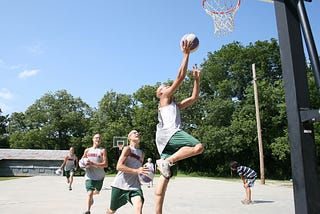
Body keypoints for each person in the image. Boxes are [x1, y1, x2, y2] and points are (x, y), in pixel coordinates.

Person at [154, 39, 204, 214]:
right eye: (163, 87)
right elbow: (180, 77)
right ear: (160, 93)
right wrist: (186, 54)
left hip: (164, 139)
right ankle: (166, 161)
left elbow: (193, 98)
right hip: (170, 133)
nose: (166, 86)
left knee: (165, 176)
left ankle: (157, 212)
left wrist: (196, 80)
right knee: (198, 146)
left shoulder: (173, 104)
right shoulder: (165, 98)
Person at [106, 130, 149, 214]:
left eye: (138, 133)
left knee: (138, 205)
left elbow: (139, 169)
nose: (137, 134)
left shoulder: (142, 153)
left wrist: (145, 172)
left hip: (134, 186)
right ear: (129, 138)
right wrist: (136, 170)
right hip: (120, 185)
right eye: (134, 133)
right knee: (112, 211)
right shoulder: (127, 149)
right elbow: (119, 166)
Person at [81, 133, 108, 214]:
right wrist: (83, 166)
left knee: (96, 192)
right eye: (96, 138)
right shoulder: (87, 150)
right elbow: (82, 161)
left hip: (100, 177)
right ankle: (87, 211)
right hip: (89, 176)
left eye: (99, 138)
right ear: (92, 139)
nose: (98, 139)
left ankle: (92, 196)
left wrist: (93, 164)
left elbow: (105, 164)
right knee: (89, 193)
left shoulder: (102, 150)